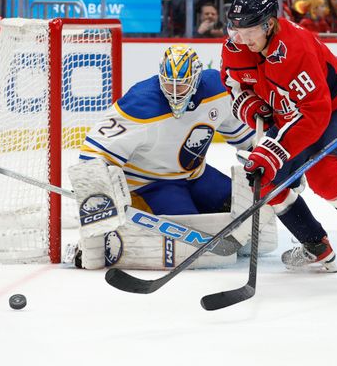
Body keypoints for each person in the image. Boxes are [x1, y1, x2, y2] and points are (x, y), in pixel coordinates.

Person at [220, 0, 337, 272]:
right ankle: (316, 246)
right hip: (287, 114)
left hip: (330, 108)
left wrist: (275, 151)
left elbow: (315, 114)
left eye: (248, 30)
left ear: (268, 24)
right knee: (266, 181)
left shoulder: (295, 49)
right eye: (234, 29)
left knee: (324, 176)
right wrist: (252, 106)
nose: (239, 38)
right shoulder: (236, 45)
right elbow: (234, 84)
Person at [71, 45, 273, 269]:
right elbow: (92, 155)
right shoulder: (140, 103)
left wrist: (270, 157)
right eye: (169, 83)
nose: (175, 92)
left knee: (244, 206)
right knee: (187, 238)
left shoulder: (218, 90)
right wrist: (99, 198)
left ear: (196, 79)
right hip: (150, 184)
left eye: (183, 84)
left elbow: (244, 136)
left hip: (197, 176)